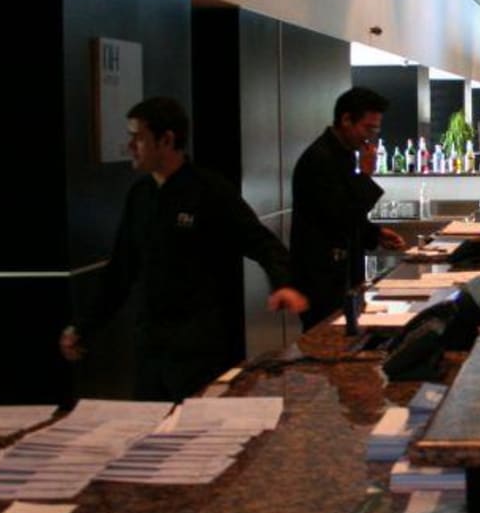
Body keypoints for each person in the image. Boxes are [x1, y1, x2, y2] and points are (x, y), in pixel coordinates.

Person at [59, 97, 307, 401]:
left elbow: (261, 242)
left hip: (199, 349)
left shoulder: (209, 190)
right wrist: (84, 328)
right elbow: (119, 273)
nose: (130, 146)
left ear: (166, 140)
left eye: (138, 137)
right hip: (150, 347)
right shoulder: (140, 196)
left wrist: (283, 284)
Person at [290, 86, 407, 330]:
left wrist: (373, 233)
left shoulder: (342, 153)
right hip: (322, 275)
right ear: (346, 120)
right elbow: (340, 216)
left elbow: (346, 207)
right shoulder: (320, 158)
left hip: (340, 270)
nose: (370, 137)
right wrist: (365, 175)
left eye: (375, 130)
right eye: (368, 128)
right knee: (327, 336)